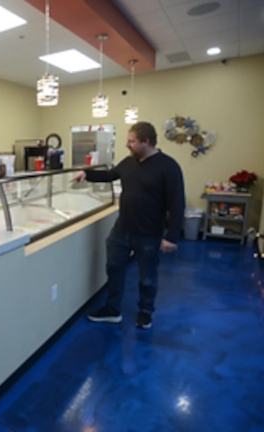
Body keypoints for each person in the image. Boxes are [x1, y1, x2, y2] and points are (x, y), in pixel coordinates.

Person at [72, 122, 185, 329]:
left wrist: (172, 236)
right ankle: (112, 309)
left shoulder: (168, 167)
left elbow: (177, 203)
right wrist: (87, 174)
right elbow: (109, 175)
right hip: (121, 229)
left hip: (149, 233)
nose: (127, 145)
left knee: (147, 277)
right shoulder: (129, 162)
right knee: (114, 269)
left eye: (131, 141)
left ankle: (145, 312)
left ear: (146, 142)